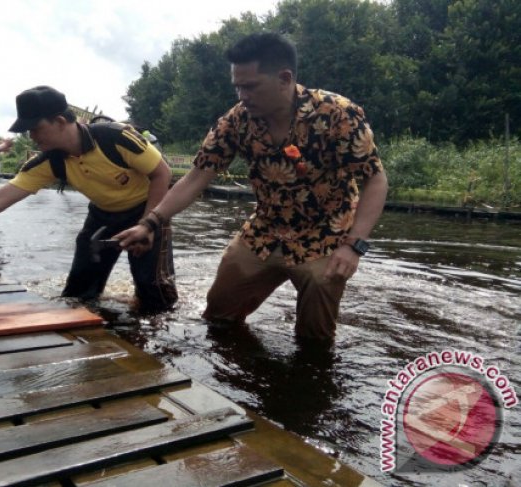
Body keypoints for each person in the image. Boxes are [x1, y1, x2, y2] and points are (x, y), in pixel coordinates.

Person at [117, 32, 388, 342]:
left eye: (250, 86)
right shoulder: (237, 121)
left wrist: (353, 246)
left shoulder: (337, 114)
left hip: (327, 236)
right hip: (264, 232)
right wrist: (150, 222)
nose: (241, 96)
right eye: (237, 86)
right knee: (218, 316)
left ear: (284, 78)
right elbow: (196, 178)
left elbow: (375, 179)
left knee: (315, 339)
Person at [0, 86, 177, 312]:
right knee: (79, 295)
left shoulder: (115, 138)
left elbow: (162, 174)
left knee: (155, 296)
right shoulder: (49, 162)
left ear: (59, 121)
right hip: (103, 217)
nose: (31, 137)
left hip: (149, 211)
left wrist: (148, 224)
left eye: (35, 129)